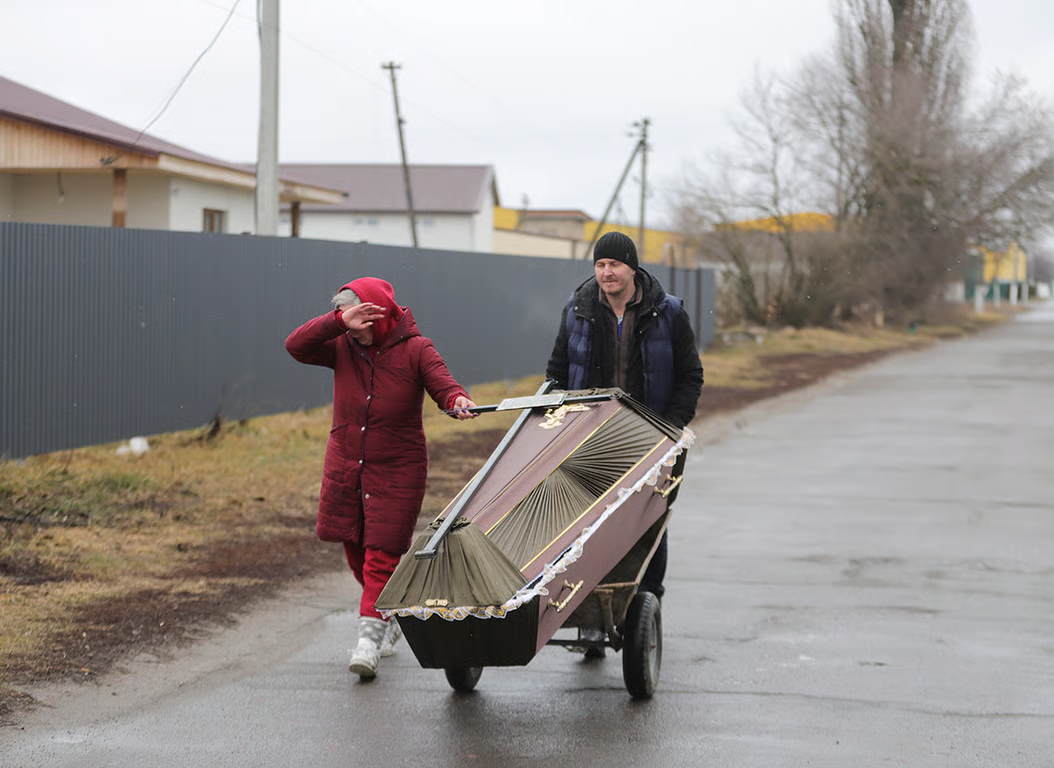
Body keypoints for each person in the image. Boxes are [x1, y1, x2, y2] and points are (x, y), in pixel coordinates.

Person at [285, 276, 477, 679]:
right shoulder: (341, 343)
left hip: (398, 469)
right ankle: (387, 614)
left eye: (360, 321)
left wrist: (457, 400)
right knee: (355, 546)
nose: (357, 332)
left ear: (379, 314)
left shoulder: (416, 349)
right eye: (348, 322)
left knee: (382, 554)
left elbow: (444, 385)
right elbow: (296, 345)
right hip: (347, 464)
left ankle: (368, 640)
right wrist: (338, 323)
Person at [545, 231, 703, 654]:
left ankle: (646, 610)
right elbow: (558, 371)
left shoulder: (667, 313)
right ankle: (591, 619)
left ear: (632, 267)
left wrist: (671, 427)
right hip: (589, 437)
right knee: (585, 527)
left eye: (614, 264)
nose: (606, 272)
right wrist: (554, 415)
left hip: (650, 436)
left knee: (647, 521)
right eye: (599, 265)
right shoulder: (578, 309)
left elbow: (690, 375)